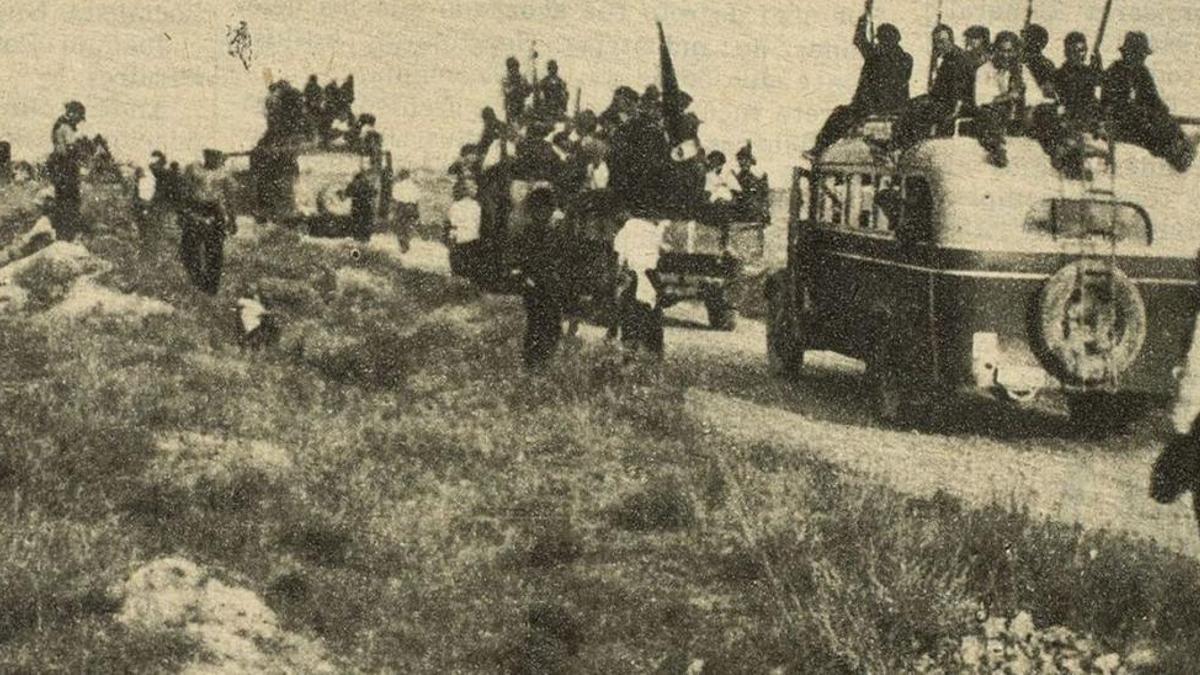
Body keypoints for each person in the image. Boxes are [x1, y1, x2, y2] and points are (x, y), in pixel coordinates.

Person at [809, 3, 913, 158]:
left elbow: (859, 40)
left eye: (880, 40)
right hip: (898, 105)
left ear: (884, 40)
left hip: (872, 106)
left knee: (840, 114)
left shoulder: (876, 55)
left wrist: (864, 19)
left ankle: (818, 149)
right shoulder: (906, 58)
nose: (879, 43)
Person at [1102, 31, 1194, 172]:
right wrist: (1146, 113)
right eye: (1138, 54)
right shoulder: (1115, 72)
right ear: (1127, 53)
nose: (1141, 59)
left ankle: (1182, 146)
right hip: (1120, 123)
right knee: (1152, 131)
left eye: (1142, 55)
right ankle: (1176, 154)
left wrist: (1163, 112)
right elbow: (1117, 105)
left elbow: (1153, 99)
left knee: (1167, 124)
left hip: (1140, 118)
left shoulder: (1142, 73)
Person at [877, 24, 974, 154]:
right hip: (940, 99)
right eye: (936, 42)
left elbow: (959, 90)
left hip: (950, 103)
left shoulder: (958, 59)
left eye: (942, 41)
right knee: (909, 105)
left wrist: (953, 111)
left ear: (951, 40)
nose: (938, 45)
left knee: (920, 111)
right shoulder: (949, 57)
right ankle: (895, 143)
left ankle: (900, 146)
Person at [974, 31, 1049, 168]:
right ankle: (997, 149)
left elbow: (1036, 97)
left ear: (1015, 52)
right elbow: (982, 100)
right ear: (995, 50)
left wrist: (1031, 107)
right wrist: (1009, 96)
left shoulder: (1021, 70)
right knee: (990, 111)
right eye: (1002, 51)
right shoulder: (984, 70)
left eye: (1010, 51)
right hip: (994, 119)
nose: (1006, 55)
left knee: (1045, 111)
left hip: (1018, 120)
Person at [519, 187, 567, 369]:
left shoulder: (554, 232)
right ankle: (534, 361)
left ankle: (542, 360)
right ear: (533, 211)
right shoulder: (532, 232)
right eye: (539, 210)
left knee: (549, 322)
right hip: (537, 284)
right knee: (537, 323)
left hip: (549, 284)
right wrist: (527, 276)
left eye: (547, 209)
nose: (543, 213)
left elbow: (562, 257)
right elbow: (523, 258)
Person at [178, 150, 233, 294]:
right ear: (205, 155)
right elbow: (184, 192)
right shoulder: (193, 169)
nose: (214, 158)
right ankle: (198, 281)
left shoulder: (225, 174)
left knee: (214, 251)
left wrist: (232, 219)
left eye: (218, 155)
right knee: (188, 249)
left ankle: (211, 287)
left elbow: (230, 197)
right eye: (210, 155)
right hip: (195, 209)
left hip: (215, 212)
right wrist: (182, 213)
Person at [612, 216, 665, 357]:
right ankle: (647, 355)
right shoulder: (651, 230)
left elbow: (619, 259)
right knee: (648, 328)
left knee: (630, 326)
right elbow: (652, 265)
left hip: (636, 284)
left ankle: (631, 355)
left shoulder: (629, 228)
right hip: (643, 287)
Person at [47, 100, 87, 241]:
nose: (78, 121)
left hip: (60, 168)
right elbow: (70, 150)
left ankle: (63, 235)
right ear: (72, 113)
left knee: (64, 201)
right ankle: (66, 236)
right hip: (66, 169)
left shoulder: (60, 125)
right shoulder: (66, 127)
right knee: (69, 202)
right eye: (78, 117)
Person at [1055, 32, 1103, 124]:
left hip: (1090, 115)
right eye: (1073, 51)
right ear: (1066, 52)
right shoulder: (1060, 74)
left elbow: (1100, 81)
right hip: (1072, 117)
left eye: (1082, 50)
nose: (1079, 55)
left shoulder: (1087, 70)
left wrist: (1098, 65)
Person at [735, 141, 770, 222]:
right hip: (743, 211)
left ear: (750, 162)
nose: (743, 163)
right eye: (740, 160)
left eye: (746, 160)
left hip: (755, 212)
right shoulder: (738, 177)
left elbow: (764, 197)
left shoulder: (757, 178)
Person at [392, 168, 420, 252]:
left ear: (401, 176)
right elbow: (417, 199)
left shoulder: (398, 185)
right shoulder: (414, 186)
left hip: (401, 207)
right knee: (409, 225)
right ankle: (406, 241)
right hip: (412, 207)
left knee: (400, 225)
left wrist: (394, 210)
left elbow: (395, 199)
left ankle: (402, 243)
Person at [503, 57, 533, 123]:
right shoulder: (506, 79)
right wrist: (518, 86)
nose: (514, 70)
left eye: (516, 67)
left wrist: (530, 87)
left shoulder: (522, 78)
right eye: (512, 68)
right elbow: (507, 91)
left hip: (522, 106)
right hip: (511, 108)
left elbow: (528, 91)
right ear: (509, 69)